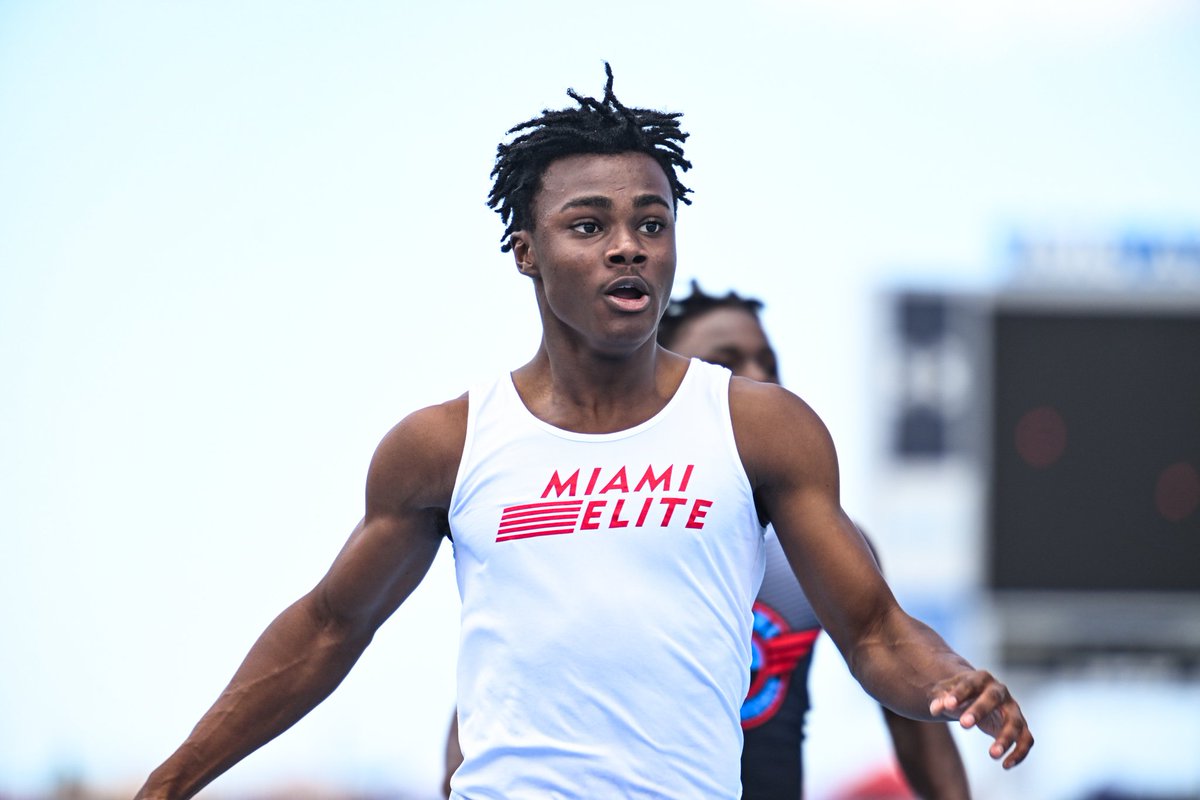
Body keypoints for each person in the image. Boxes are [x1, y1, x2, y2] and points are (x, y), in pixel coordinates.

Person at [134, 64, 1032, 800]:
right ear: (527, 250)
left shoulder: (759, 429)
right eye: (588, 225)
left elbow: (874, 632)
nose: (628, 245)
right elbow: (329, 630)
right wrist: (168, 785)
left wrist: (957, 680)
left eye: (651, 222)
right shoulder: (447, 445)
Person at [657, 282, 972, 799]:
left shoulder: (814, 548)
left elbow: (910, 715)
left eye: (768, 363)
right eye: (726, 364)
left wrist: (951, 684)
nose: (758, 380)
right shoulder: (609, 530)